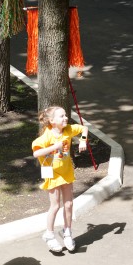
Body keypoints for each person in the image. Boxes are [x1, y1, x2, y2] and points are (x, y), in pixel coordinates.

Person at [32, 106, 88, 253]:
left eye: (65, 115)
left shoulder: (68, 130)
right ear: (52, 121)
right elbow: (36, 153)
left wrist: (83, 141)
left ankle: (67, 232)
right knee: (55, 206)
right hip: (52, 174)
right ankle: (49, 235)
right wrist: (54, 147)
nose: (66, 118)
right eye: (61, 116)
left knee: (69, 204)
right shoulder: (47, 136)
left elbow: (84, 128)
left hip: (66, 172)